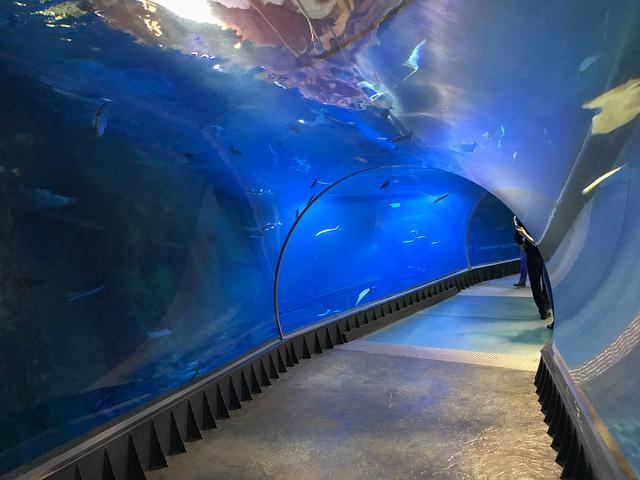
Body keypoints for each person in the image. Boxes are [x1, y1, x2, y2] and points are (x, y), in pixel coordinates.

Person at [513, 217, 551, 321]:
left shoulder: (523, 217)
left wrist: (524, 246)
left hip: (533, 254)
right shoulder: (543, 216)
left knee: (535, 283)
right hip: (546, 252)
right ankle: (547, 304)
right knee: (546, 282)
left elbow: (517, 236)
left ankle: (542, 309)